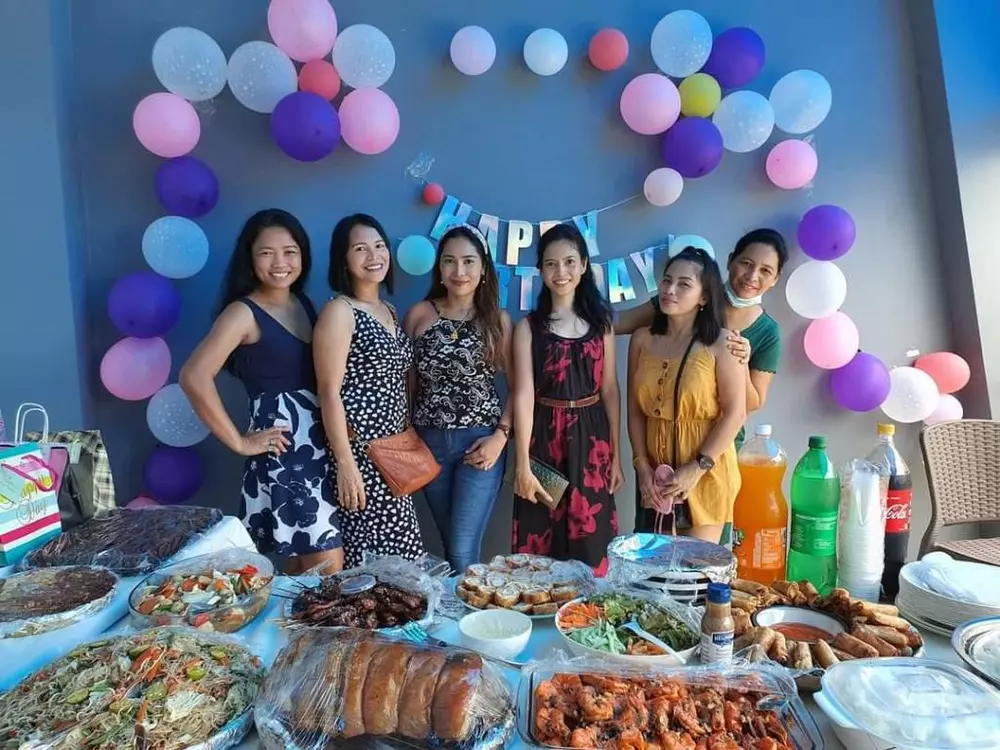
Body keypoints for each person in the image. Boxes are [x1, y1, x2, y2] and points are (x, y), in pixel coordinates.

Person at [180, 209, 343, 574]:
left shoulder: (303, 303)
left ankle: (292, 616)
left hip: (321, 445)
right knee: (328, 567)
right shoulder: (243, 312)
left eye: (290, 251)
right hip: (288, 451)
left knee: (302, 568)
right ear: (250, 259)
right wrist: (239, 442)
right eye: (267, 253)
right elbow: (194, 375)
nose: (280, 262)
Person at [314, 213, 425, 569]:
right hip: (360, 452)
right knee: (369, 560)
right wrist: (346, 463)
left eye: (379, 246)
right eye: (360, 249)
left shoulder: (388, 310)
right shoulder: (339, 311)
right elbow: (329, 392)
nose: (374, 256)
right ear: (343, 259)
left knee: (401, 558)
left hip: (393, 454)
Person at [511, 223, 623, 574]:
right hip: (544, 438)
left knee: (592, 542)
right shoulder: (528, 327)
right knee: (541, 546)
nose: (561, 271)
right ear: (541, 270)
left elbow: (609, 389)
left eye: (570, 261)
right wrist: (522, 464)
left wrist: (617, 457)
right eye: (551, 263)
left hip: (592, 440)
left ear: (584, 265)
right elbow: (523, 394)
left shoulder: (602, 323)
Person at [403, 225, 513, 572]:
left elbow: (521, 388)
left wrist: (501, 436)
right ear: (439, 268)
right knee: (450, 544)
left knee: (463, 549)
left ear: (483, 269)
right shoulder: (419, 314)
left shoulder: (497, 321)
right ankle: (459, 604)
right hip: (428, 443)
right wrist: (406, 434)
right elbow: (406, 383)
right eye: (449, 261)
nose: (459, 271)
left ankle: (467, 608)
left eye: (468, 261)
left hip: (480, 443)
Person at [617, 229, 787, 439]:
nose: (752, 276)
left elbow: (752, 403)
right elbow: (617, 322)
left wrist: (740, 363)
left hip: (720, 446)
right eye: (746, 263)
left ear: (776, 279)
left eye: (766, 271)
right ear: (730, 261)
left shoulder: (768, 332)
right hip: (662, 445)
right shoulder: (681, 298)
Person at [626, 247, 746, 544]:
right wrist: (642, 466)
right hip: (656, 476)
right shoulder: (641, 339)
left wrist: (697, 467)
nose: (670, 290)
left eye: (684, 284)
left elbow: (736, 413)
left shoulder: (722, 343)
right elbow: (635, 411)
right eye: (667, 281)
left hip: (706, 472)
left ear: (704, 297)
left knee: (696, 568)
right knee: (653, 566)